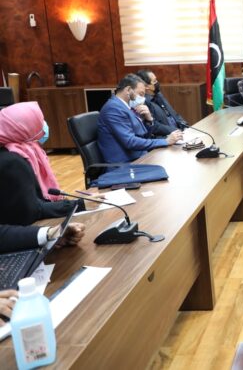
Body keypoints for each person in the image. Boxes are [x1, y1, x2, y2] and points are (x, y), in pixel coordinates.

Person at [0, 102, 86, 253]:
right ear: (23, 128)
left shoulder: (24, 152)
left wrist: (50, 233)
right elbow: (32, 210)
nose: (44, 126)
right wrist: (79, 204)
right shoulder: (12, 161)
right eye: (40, 121)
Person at [98, 74, 182, 163]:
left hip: (139, 157)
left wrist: (149, 120)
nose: (143, 99)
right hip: (126, 164)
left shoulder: (125, 107)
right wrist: (165, 141)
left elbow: (144, 136)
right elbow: (130, 142)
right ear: (128, 90)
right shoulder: (113, 109)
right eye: (140, 94)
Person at [136, 69, 188, 135]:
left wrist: (185, 126)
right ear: (146, 86)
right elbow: (156, 126)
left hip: (179, 132)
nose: (157, 83)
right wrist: (177, 131)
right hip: (167, 136)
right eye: (154, 81)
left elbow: (174, 114)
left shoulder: (158, 94)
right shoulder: (144, 102)